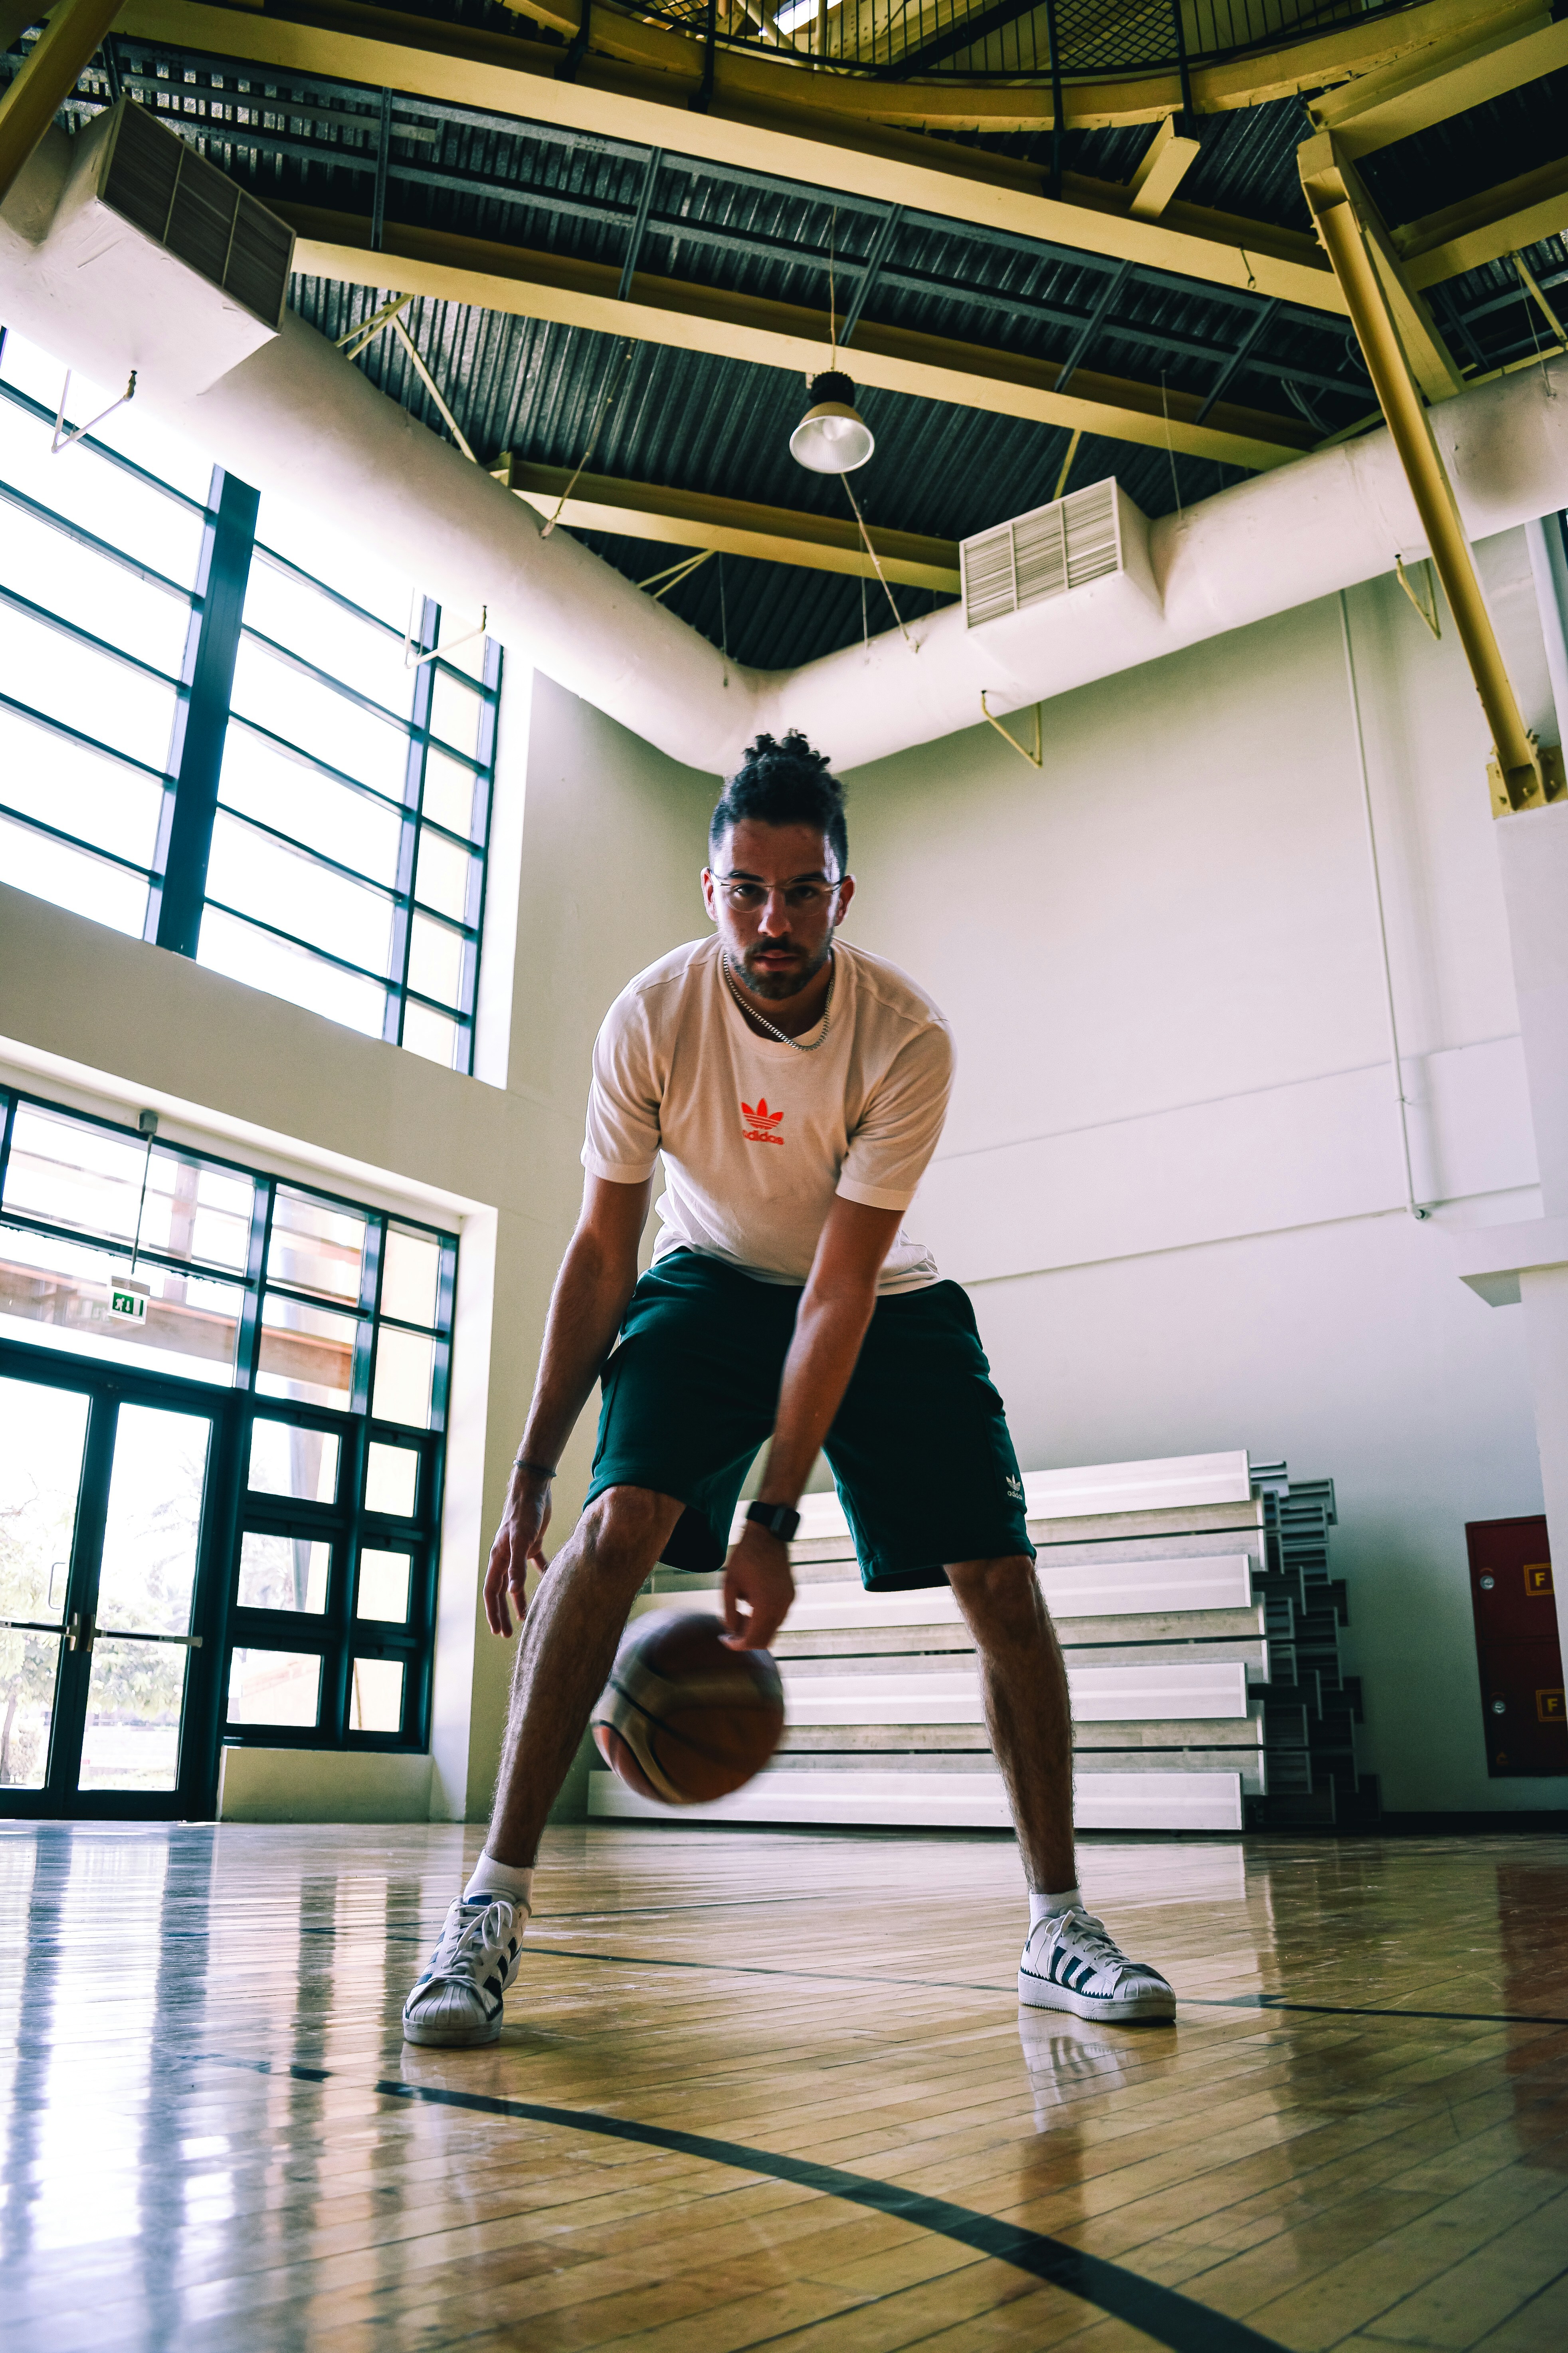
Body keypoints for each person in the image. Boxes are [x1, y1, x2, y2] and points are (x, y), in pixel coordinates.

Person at [403, 731, 1174, 2045]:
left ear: (842, 896)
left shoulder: (906, 1038)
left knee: (1003, 1581)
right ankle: (489, 1907)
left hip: (881, 1295)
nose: (774, 919)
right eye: (747, 890)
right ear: (708, 890)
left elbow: (838, 1290)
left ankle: (1058, 1922)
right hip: (703, 1276)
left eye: (802, 890)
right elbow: (603, 1249)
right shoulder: (650, 1019)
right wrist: (532, 1471)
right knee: (615, 1529)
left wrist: (771, 1518)